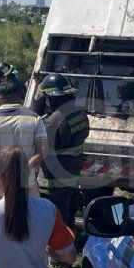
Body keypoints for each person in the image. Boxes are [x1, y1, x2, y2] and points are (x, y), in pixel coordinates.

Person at [37, 73, 91, 225]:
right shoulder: (80, 114)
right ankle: (69, 245)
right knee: (68, 218)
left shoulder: (53, 121)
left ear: (51, 97)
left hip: (53, 183)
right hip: (71, 177)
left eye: (46, 96)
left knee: (53, 222)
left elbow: (40, 149)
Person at [0, 81, 46, 193]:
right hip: (26, 179)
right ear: (21, 97)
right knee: (29, 209)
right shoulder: (35, 119)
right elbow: (42, 151)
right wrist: (25, 167)